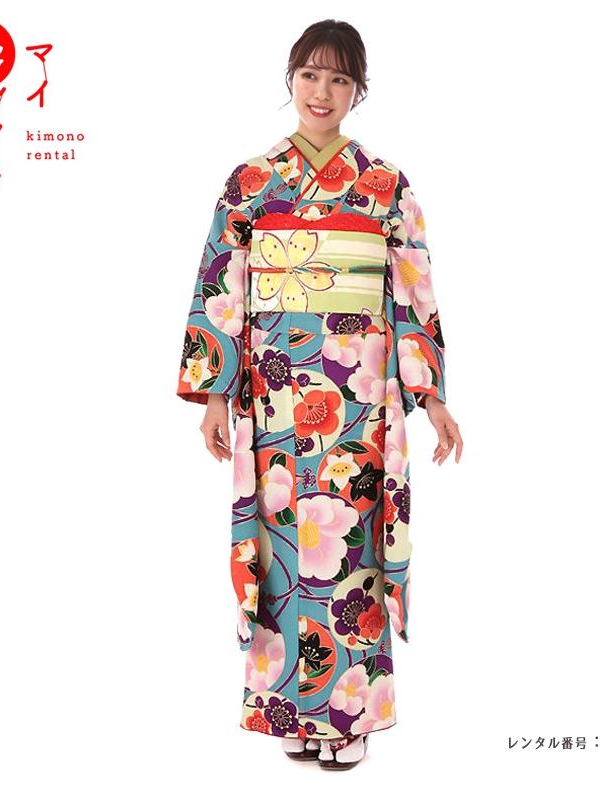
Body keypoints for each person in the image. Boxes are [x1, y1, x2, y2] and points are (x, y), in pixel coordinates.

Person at [175, 19, 463, 770]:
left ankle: (349, 715)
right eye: (310, 75)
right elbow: (221, 286)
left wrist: (430, 396)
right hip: (271, 388)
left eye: (339, 78)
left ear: (358, 90)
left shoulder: (386, 185)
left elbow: (413, 291)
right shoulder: (250, 182)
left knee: (351, 548)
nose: (322, 92)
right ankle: (291, 714)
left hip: (358, 389)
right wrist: (214, 395)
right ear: (291, 80)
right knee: (277, 552)